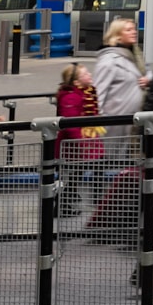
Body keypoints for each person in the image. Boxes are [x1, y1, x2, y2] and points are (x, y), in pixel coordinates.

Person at [55, 63, 106, 218]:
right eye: (85, 74)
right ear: (76, 82)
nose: (90, 75)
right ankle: (65, 202)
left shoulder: (85, 93)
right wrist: (82, 142)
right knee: (74, 174)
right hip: (77, 144)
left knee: (81, 172)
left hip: (86, 140)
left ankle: (74, 198)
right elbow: (70, 124)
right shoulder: (71, 97)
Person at [93, 18, 148, 158]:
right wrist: (95, 122)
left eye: (134, 29)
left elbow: (145, 73)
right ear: (117, 34)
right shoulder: (109, 61)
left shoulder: (133, 56)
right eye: (128, 30)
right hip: (114, 123)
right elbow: (98, 93)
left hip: (131, 122)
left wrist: (148, 79)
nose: (134, 32)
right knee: (112, 161)